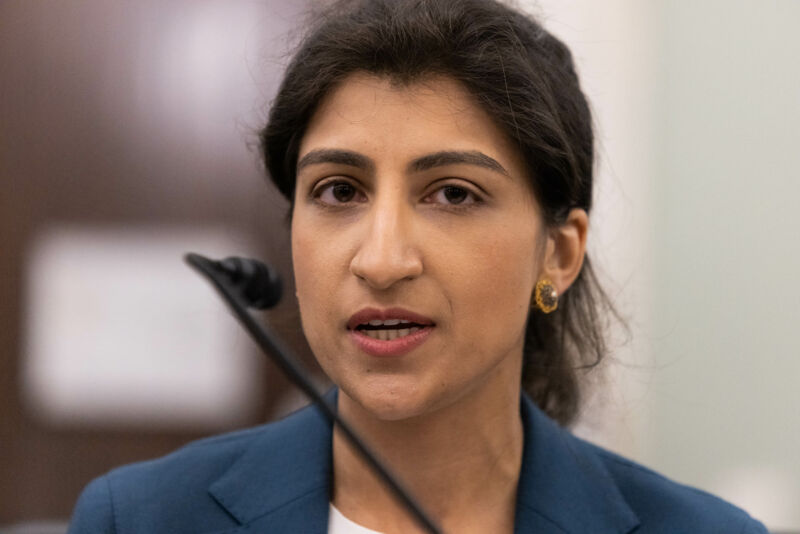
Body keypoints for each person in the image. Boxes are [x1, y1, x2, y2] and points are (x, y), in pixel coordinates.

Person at [67, 0, 769, 532]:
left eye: (453, 194)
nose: (381, 261)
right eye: (339, 191)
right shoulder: (137, 519)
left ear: (557, 255)